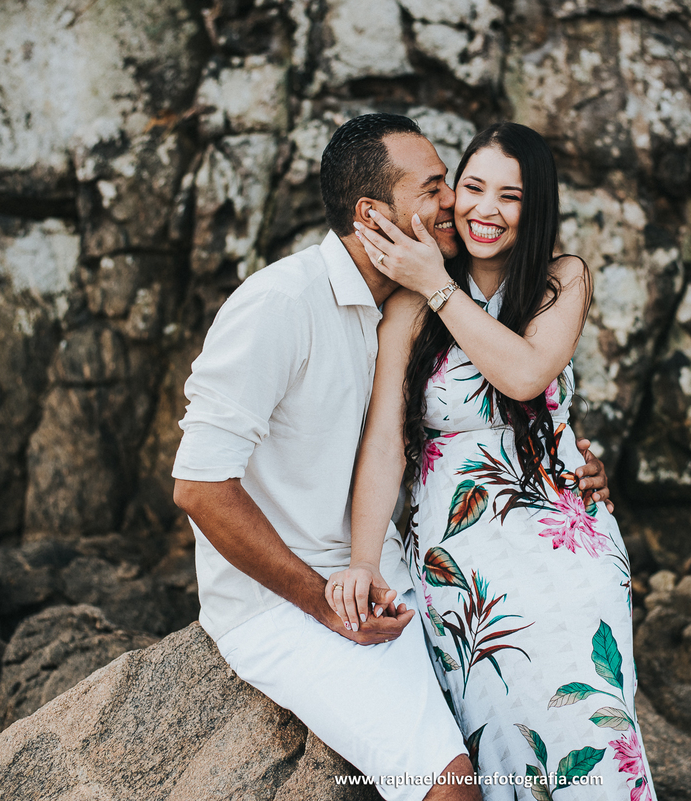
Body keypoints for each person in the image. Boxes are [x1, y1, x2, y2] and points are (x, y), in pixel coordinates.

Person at [171, 113, 611, 801]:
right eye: (438, 188)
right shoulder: (279, 305)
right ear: (372, 214)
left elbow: (484, 407)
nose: (455, 206)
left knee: (534, 742)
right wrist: (323, 600)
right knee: (455, 787)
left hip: (399, 572)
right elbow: (199, 488)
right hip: (296, 599)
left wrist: (572, 456)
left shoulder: (412, 300)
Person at [326, 122, 657, 801]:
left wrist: (439, 288)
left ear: (535, 208)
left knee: (588, 724)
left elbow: (528, 374)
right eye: (471, 186)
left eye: (510, 195)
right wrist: (362, 560)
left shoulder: (560, 280)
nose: (484, 208)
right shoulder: (410, 304)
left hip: (568, 549)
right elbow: (386, 441)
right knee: (504, 736)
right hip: (465, 558)